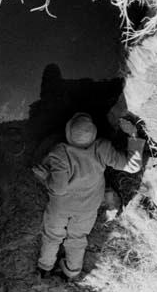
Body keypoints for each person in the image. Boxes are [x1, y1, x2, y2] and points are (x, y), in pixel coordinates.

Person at [32, 112, 146, 281]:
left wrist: (45, 177)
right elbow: (133, 166)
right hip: (88, 207)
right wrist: (133, 134)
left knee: (53, 235)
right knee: (77, 238)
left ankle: (45, 267)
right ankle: (71, 271)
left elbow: (58, 189)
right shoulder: (102, 148)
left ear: (68, 133)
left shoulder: (60, 154)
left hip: (61, 206)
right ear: (93, 134)